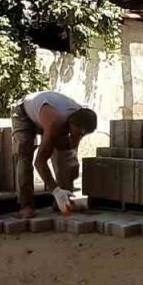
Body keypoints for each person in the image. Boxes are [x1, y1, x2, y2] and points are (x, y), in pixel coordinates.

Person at [12, 90, 98, 218]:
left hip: (46, 115)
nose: (80, 137)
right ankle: (26, 206)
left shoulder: (81, 116)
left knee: (66, 156)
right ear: (72, 125)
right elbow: (39, 162)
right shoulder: (55, 121)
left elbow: (71, 149)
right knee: (25, 154)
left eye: (82, 135)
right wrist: (56, 191)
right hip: (24, 113)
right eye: (79, 133)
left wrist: (71, 146)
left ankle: (63, 202)